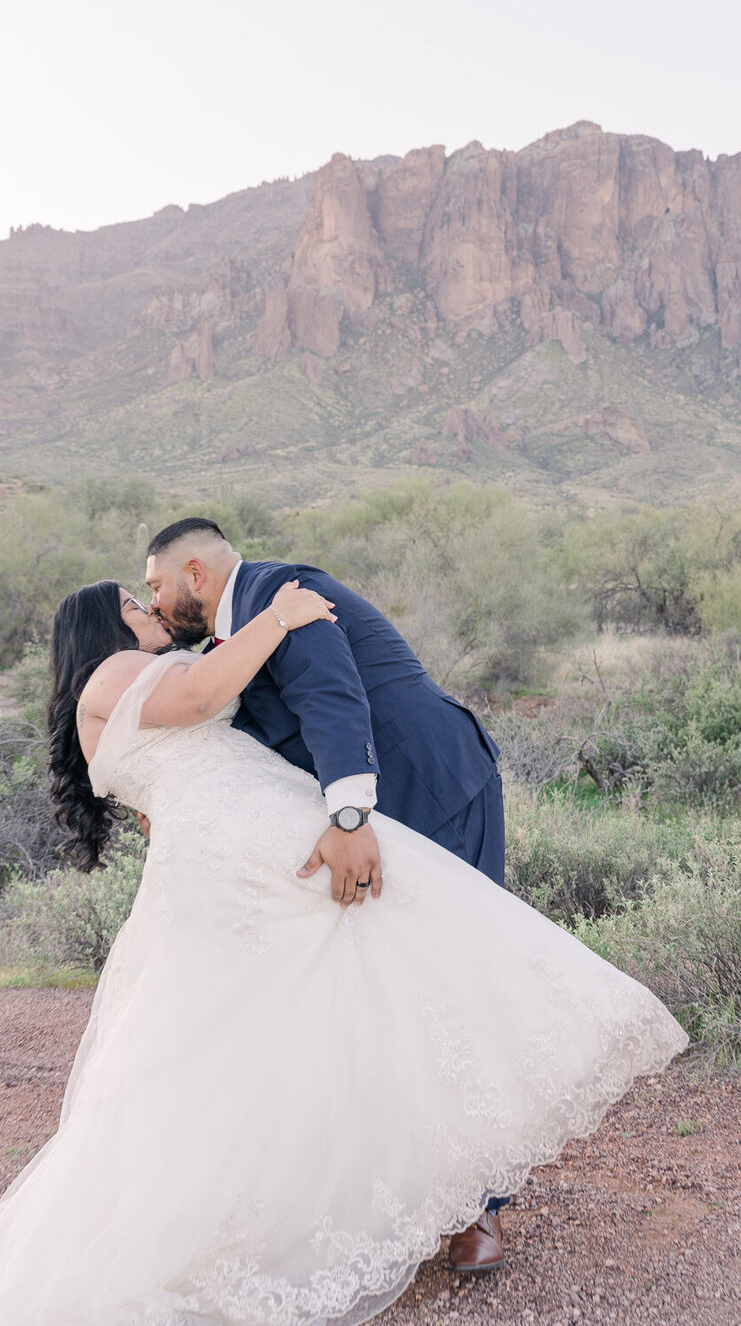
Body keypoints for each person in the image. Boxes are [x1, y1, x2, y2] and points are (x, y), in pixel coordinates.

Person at [0, 576, 688, 1326]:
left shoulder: (119, 692)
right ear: (102, 623)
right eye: (134, 598)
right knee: (403, 957)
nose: (149, 607)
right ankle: (432, 1195)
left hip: (235, 843)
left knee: (301, 1016)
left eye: (151, 593)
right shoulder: (114, 673)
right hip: (250, 847)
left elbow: (181, 761)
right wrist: (281, 614)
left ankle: (420, 1191)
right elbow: (204, 693)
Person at [143, 517, 512, 1270]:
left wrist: (347, 816)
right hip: (381, 817)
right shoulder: (232, 637)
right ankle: (406, 1191)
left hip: (435, 790)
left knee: (453, 988)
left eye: (154, 587)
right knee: (383, 1000)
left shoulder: (283, 593)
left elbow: (330, 693)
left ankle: (478, 1210)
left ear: (194, 571)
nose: (153, 605)